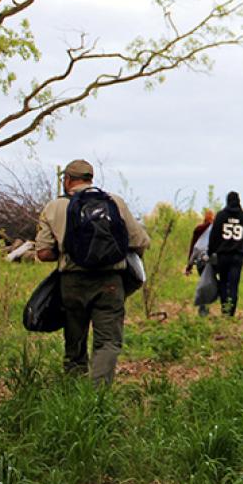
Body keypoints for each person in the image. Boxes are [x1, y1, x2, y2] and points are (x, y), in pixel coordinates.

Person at [35, 159, 149, 385]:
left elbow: (43, 253)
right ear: (90, 178)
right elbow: (141, 241)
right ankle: (98, 392)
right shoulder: (114, 202)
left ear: (67, 180)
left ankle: (74, 386)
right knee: (108, 341)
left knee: (75, 339)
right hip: (110, 281)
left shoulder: (54, 207)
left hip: (72, 282)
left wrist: (67, 251)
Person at [207, 191, 243, 316]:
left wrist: (211, 252)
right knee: (234, 284)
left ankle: (224, 309)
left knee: (223, 282)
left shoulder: (221, 216)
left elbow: (214, 236)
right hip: (238, 256)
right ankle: (231, 312)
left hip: (223, 256)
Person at [187, 208, 216, 317]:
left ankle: (203, 308)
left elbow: (193, 247)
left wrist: (189, 265)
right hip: (214, 260)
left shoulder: (198, 230)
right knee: (211, 282)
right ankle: (207, 307)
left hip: (201, 261)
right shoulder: (216, 229)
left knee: (204, 282)